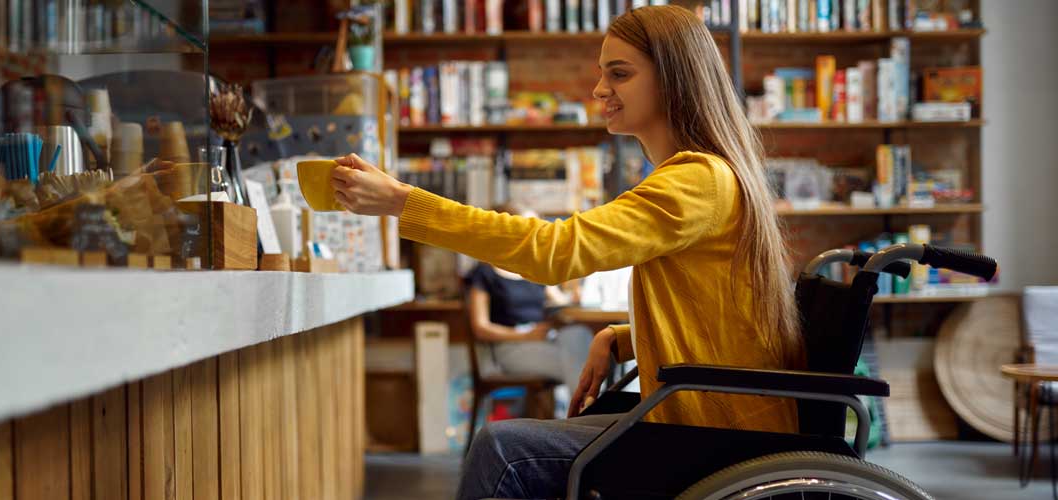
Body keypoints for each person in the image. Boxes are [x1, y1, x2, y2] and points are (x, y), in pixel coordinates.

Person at [329, 5, 805, 499]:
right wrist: (620, 337)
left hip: (712, 434)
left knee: (502, 449)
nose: (600, 90)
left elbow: (552, 252)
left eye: (619, 74)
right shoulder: (707, 176)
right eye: (603, 74)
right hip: (706, 420)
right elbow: (719, 318)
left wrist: (406, 203)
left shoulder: (697, 180)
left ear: (674, 80)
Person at [463, 203, 593, 414]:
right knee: (582, 365)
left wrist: (576, 295)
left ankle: (584, 420)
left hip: (544, 341)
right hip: (510, 348)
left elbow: (562, 301)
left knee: (579, 336)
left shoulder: (533, 270)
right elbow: (480, 327)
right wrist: (524, 336)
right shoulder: (484, 273)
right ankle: (590, 419)